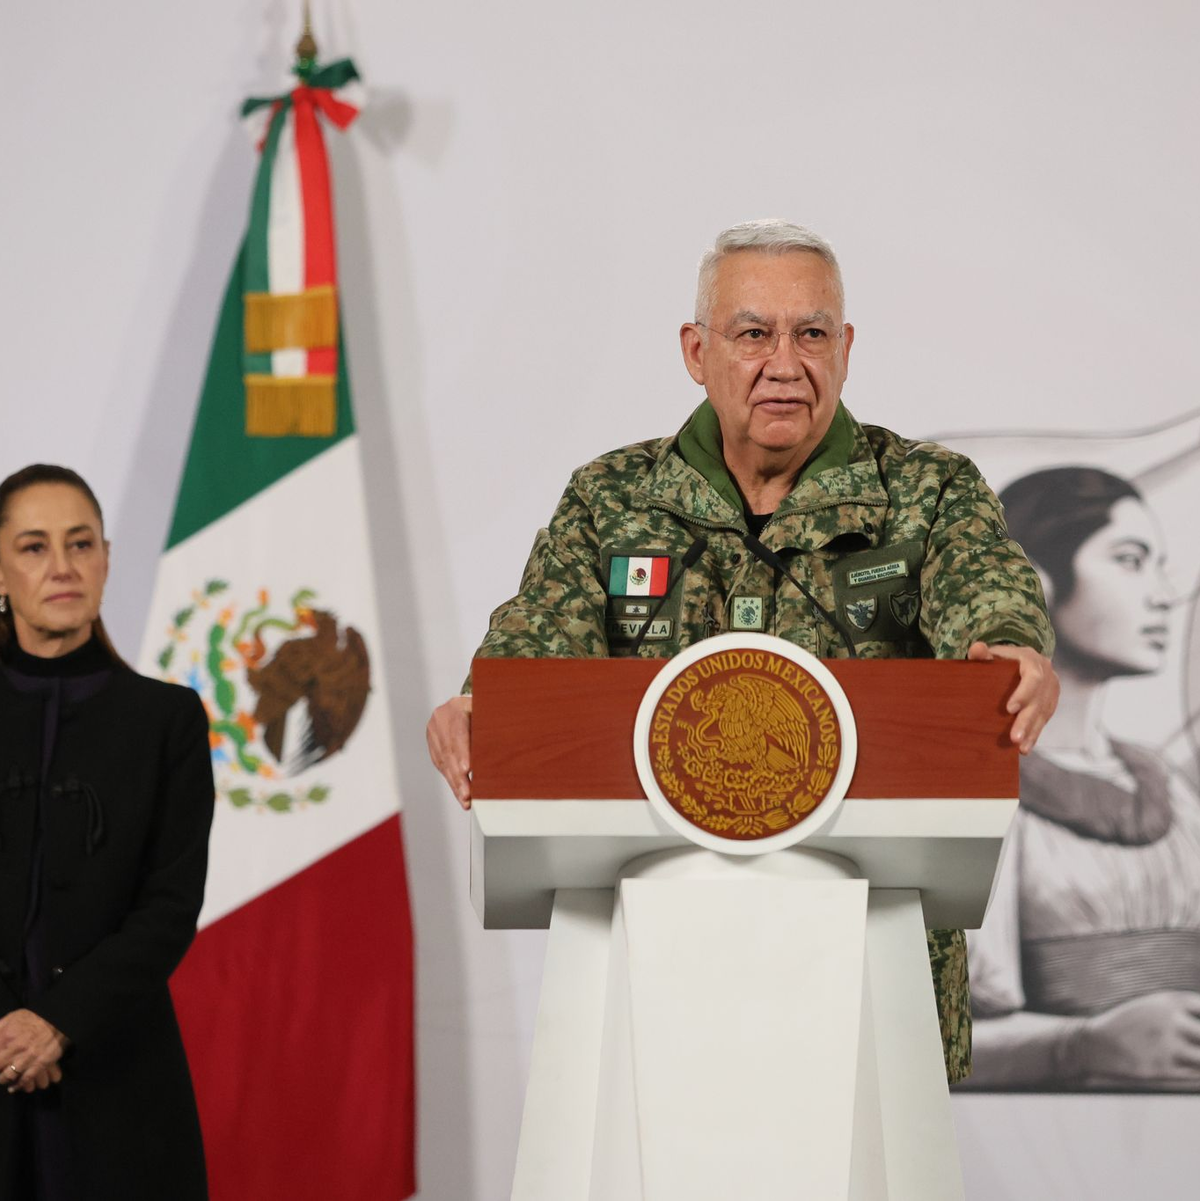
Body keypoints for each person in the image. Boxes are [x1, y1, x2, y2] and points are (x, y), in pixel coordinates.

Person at [426, 219, 1059, 1082]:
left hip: (871, 981)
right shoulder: (612, 498)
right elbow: (537, 643)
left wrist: (1012, 650)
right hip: (655, 977)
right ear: (697, 351)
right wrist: (484, 707)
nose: (785, 363)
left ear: (846, 349)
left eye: (812, 334)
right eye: (753, 333)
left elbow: (986, 596)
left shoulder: (927, 489)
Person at [0, 465, 215, 1198]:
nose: (62, 566)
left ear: (106, 558)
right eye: (34, 546)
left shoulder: (168, 721)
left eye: (81, 543)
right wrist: (9, 1031)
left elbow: (169, 908)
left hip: (119, 1081)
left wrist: (56, 1022)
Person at [965, 466, 1200, 1090]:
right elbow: (924, 1038)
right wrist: (1081, 1045)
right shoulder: (983, 790)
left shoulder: (1176, 789)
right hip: (1054, 1133)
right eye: (1130, 561)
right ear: (1032, 582)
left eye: (1160, 566)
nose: (1163, 595)